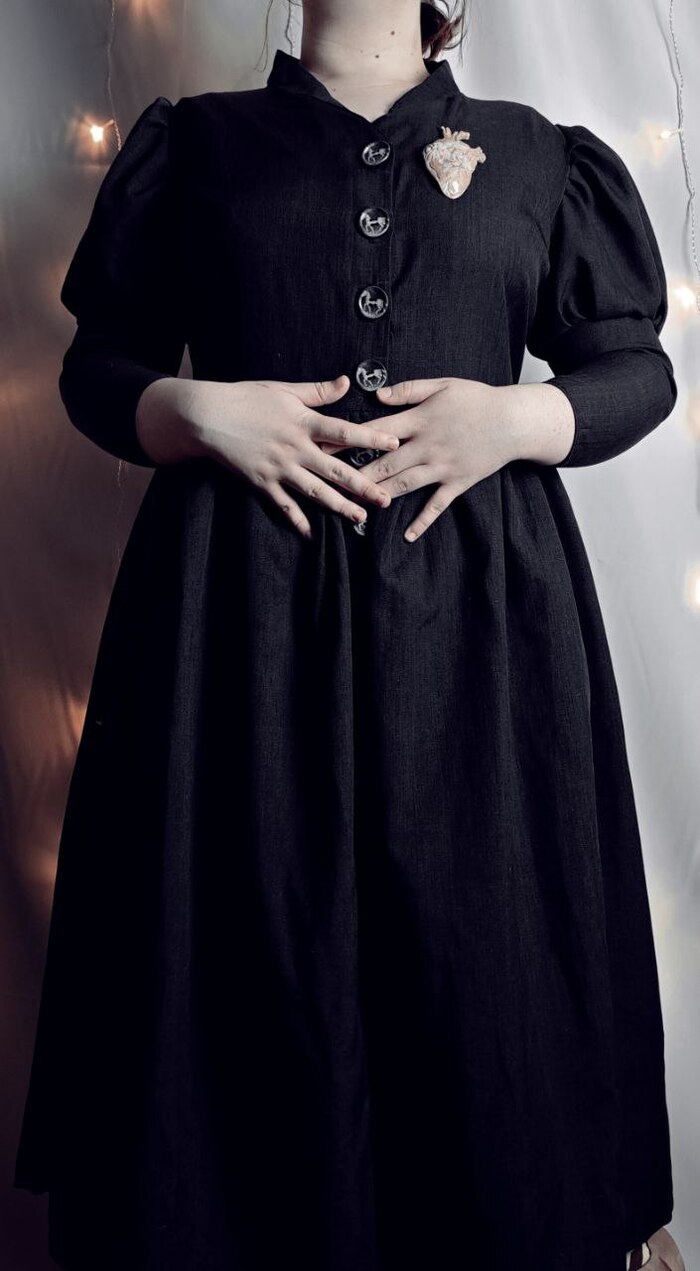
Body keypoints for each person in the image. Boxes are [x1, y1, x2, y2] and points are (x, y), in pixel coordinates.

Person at [13, 1, 686, 1268]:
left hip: (483, 635)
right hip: (233, 631)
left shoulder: (535, 154)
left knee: (484, 953)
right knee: (236, 950)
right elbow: (98, 367)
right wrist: (192, 410)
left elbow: (636, 367)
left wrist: (512, 421)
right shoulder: (198, 144)